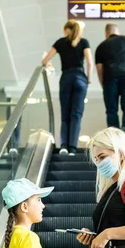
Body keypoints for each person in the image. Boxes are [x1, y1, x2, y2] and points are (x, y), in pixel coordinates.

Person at [42, 20, 93, 156]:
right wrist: (89, 77)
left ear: (67, 30)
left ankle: (64, 145)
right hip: (80, 77)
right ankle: (73, 148)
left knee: (65, 115)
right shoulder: (84, 42)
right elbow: (89, 62)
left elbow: (44, 60)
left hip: (66, 77)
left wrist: (47, 64)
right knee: (76, 114)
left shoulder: (60, 42)